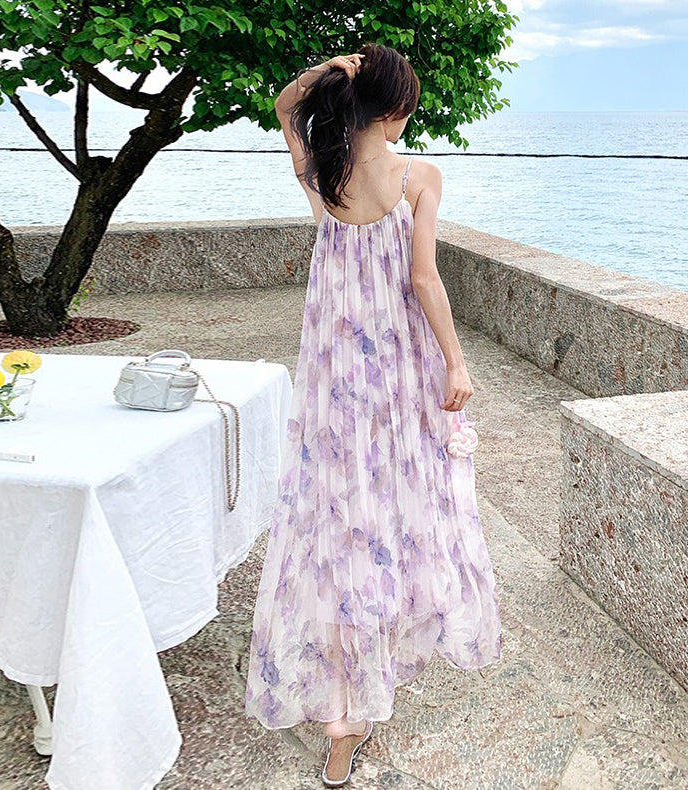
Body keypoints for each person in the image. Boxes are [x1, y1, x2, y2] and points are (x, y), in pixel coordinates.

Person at [244, 42, 502, 787]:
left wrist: (331, 67)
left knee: (339, 511)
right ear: (395, 110)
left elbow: (284, 105)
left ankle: (343, 708)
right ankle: (367, 678)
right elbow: (425, 279)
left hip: (334, 379)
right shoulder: (418, 177)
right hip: (397, 371)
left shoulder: (323, 176)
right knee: (397, 500)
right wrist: (456, 362)